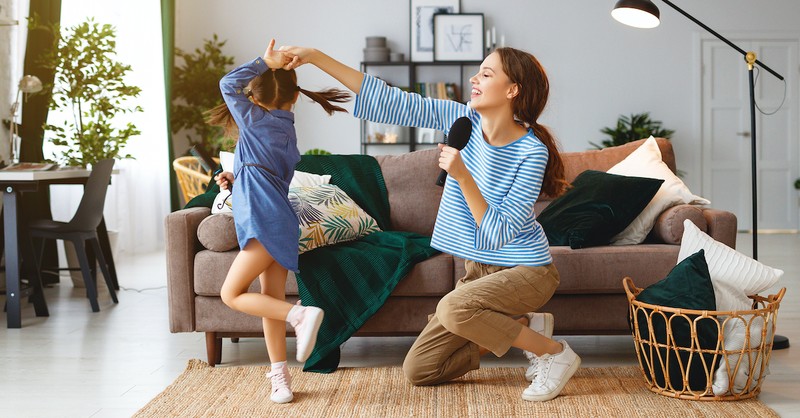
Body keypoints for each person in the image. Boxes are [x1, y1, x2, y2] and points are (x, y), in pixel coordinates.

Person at [280, 45, 580, 402]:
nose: (474, 78)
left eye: (486, 73)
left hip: (524, 269)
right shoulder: (461, 121)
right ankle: (524, 328)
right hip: (479, 272)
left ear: (512, 89)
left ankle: (553, 352)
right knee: (420, 370)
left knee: (452, 308)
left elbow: (498, 232)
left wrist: (462, 175)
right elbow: (390, 100)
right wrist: (315, 56)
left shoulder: (532, 152)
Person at [206, 39, 351, 404]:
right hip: (278, 220)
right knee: (267, 298)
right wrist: (236, 178)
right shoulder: (286, 130)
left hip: (264, 220)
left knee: (231, 294)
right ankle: (280, 378)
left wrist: (262, 61)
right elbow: (265, 177)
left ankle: (300, 316)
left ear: (253, 100)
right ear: (295, 98)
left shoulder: (255, 121)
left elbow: (227, 84)